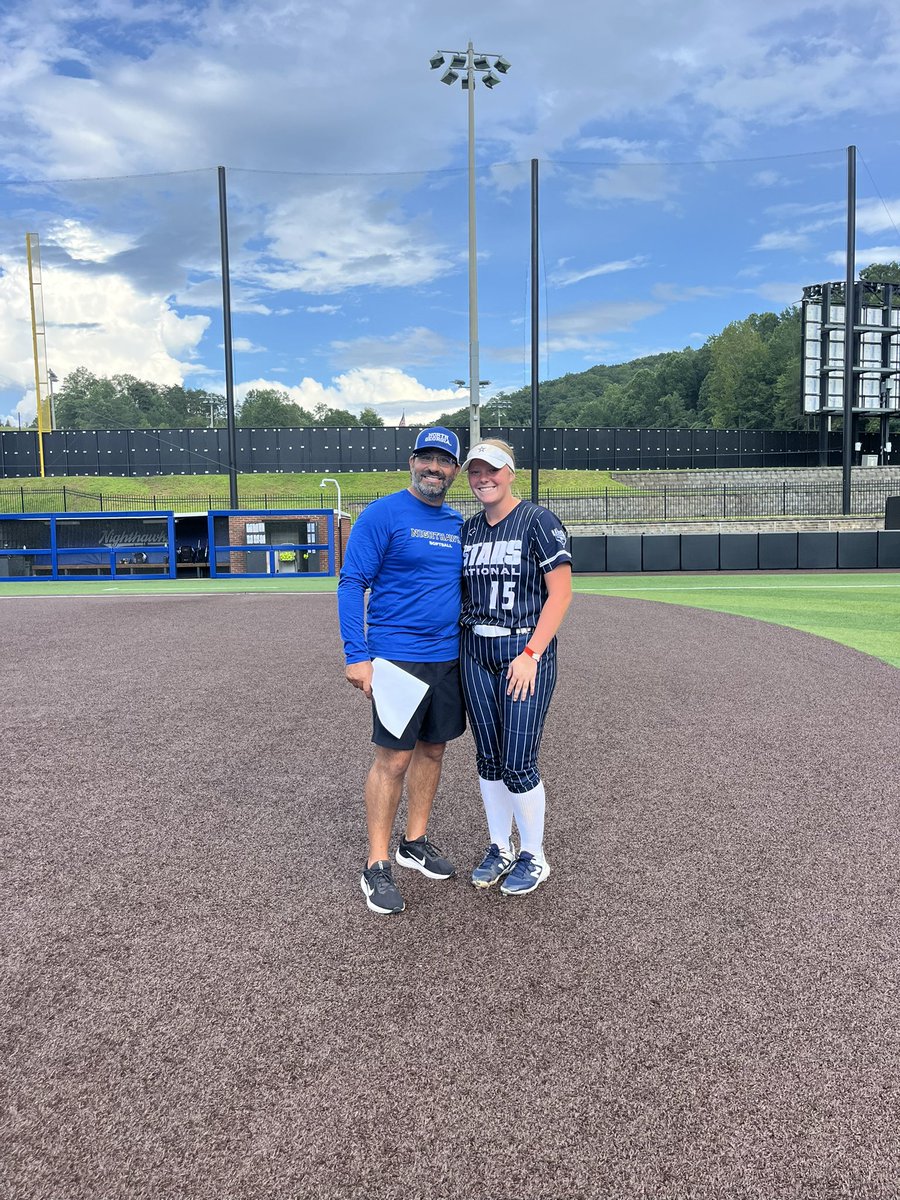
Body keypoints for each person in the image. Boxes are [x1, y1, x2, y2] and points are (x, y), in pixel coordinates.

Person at [337, 426, 467, 916]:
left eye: (444, 460)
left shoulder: (456, 522)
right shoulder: (382, 514)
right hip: (397, 656)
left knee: (433, 750)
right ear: (413, 462)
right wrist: (357, 653)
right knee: (393, 759)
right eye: (426, 458)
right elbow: (352, 584)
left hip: (448, 657)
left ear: (454, 470)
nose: (435, 468)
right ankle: (375, 864)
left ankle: (414, 842)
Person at [459, 438, 573, 896]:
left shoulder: (538, 521)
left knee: (518, 760)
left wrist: (531, 654)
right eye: (474, 471)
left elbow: (561, 594)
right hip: (475, 651)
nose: (483, 478)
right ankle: (499, 846)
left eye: (492, 470)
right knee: (488, 759)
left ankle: (534, 855)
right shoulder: (469, 530)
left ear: (510, 472)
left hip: (523, 650)